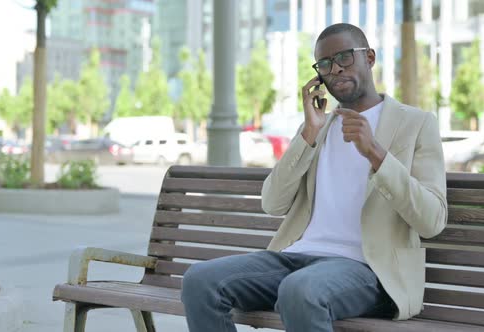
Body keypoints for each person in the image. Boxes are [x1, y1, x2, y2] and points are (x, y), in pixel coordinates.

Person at [181, 23, 447, 332]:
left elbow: (432, 219)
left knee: (301, 290)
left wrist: (376, 152)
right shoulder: (318, 127)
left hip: (369, 269)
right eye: (325, 64)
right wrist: (309, 132)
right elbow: (272, 203)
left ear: (370, 58)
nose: (335, 69)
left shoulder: (416, 123)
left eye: (345, 57)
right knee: (200, 280)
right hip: (295, 259)